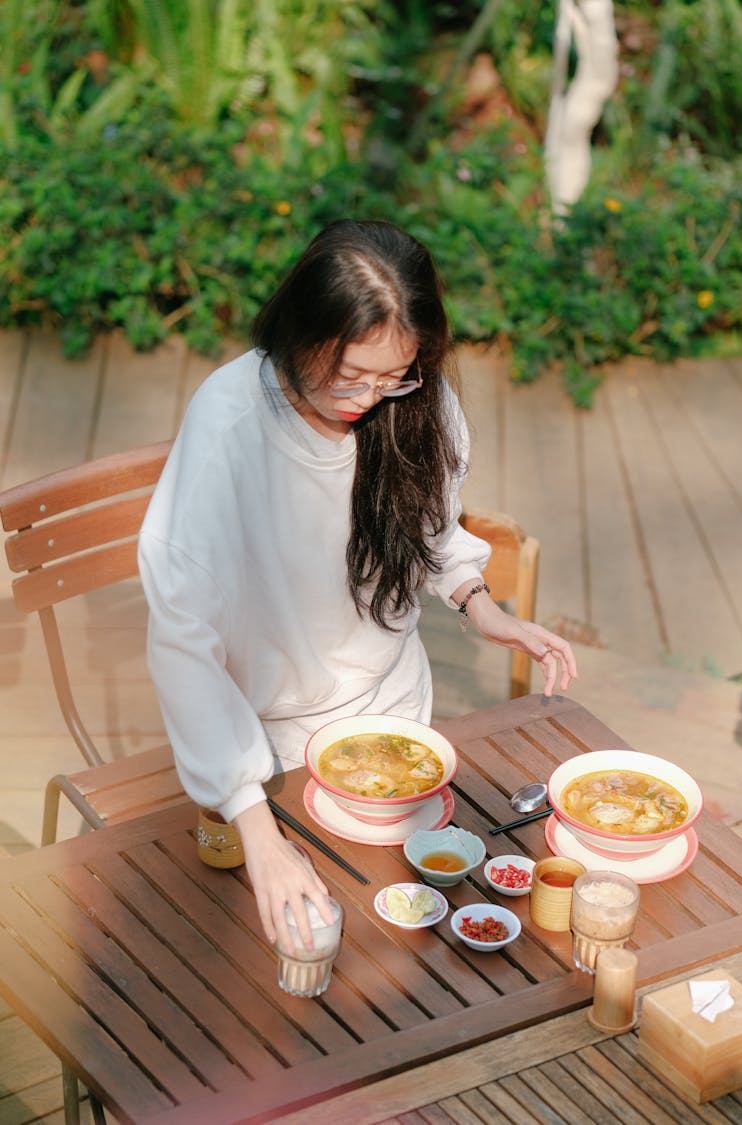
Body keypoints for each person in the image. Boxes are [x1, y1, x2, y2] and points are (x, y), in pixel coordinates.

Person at [138, 219, 576, 953]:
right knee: (281, 963)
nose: (370, 397)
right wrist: (261, 835)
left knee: (410, 956)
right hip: (267, 753)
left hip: (393, 718)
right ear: (299, 333)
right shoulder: (230, 425)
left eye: (392, 376)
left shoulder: (411, 397)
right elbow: (182, 640)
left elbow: (429, 524)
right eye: (350, 376)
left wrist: (478, 602)